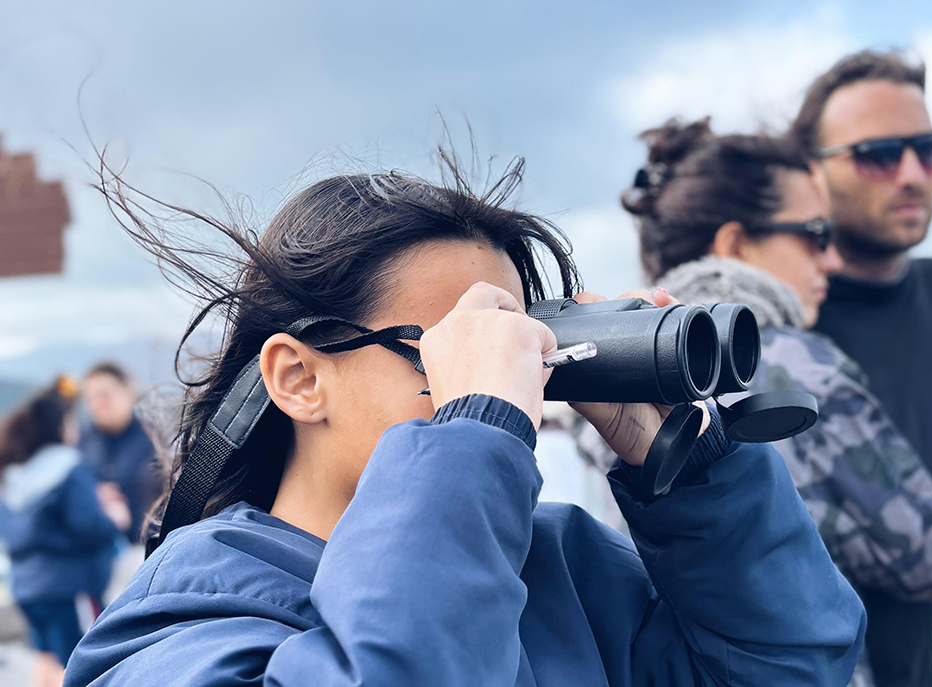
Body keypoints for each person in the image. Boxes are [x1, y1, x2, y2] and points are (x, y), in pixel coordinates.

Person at [64, 156, 864, 686]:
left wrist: (692, 476)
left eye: (516, 346)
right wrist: (475, 426)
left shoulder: (565, 565)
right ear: (299, 378)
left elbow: (790, 667)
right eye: (451, 347)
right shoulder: (178, 626)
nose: (500, 376)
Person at [573, 118, 932, 686]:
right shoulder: (804, 365)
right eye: (817, 235)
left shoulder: (626, 372)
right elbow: (929, 556)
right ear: (736, 244)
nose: (831, 260)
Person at [790, 50, 932, 687]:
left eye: (929, 150)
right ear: (811, 171)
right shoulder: (772, 319)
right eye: (879, 154)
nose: (913, 174)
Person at [0, 377, 129, 687]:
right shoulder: (67, 466)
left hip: (28, 587)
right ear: (58, 427)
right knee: (81, 666)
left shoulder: (14, 472)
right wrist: (116, 518)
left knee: (45, 659)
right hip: (70, 587)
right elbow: (89, 527)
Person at [79, 362, 162, 546]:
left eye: (104, 395)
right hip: (94, 549)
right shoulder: (80, 442)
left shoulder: (155, 440)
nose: (97, 404)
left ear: (128, 391)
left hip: (144, 545)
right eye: (91, 398)